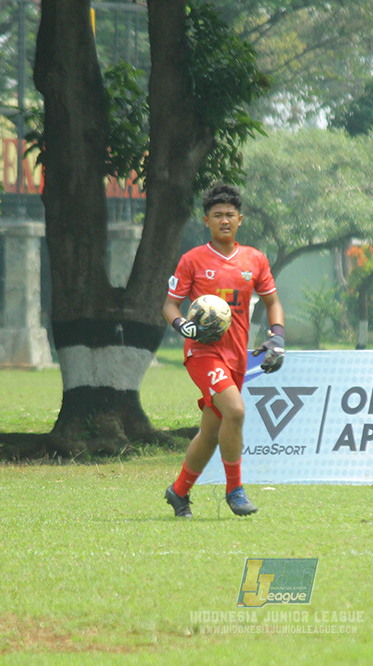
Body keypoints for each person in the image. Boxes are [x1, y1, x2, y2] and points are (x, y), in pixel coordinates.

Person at [162, 183, 286, 518]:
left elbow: (273, 301)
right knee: (236, 411)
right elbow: (171, 305)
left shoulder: (254, 259)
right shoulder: (192, 260)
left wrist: (277, 336)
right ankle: (235, 490)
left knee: (212, 432)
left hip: (237, 356)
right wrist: (180, 325)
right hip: (202, 354)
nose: (224, 220)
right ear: (206, 220)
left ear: (240, 219)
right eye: (217, 215)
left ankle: (179, 491)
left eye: (230, 214)